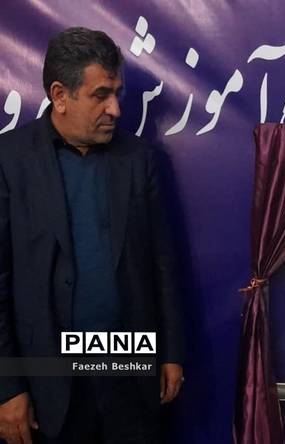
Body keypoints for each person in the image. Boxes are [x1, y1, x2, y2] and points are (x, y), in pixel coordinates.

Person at [0, 27, 185, 443]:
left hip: (129, 372)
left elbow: (162, 262)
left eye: (117, 94)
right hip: (49, 380)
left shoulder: (139, 158)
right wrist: (7, 387)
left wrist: (171, 353)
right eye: (101, 95)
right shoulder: (9, 160)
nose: (115, 109)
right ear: (60, 95)